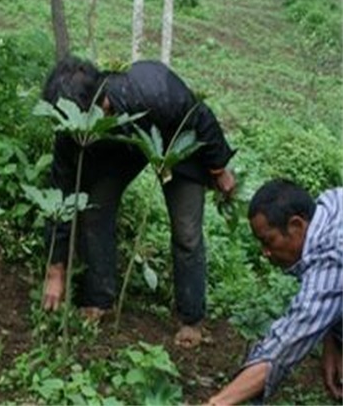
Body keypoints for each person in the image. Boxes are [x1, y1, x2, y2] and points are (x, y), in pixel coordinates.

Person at [40, 56, 236, 347]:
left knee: (186, 232)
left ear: (101, 104)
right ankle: (99, 299)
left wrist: (219, 169)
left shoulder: (154, 89)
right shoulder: (71, 129)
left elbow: (200, 116)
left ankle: (191, 318)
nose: (76, 129)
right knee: (94, 209)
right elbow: (61, 193)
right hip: (116, 151)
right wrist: (55, 269)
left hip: (174, 141)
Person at [208, 179, 342, 404]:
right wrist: (334, 339)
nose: (265, 253)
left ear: (296, 225)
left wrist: (217, 403)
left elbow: (285, 346)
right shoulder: (330, 205)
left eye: (268, 241)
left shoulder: (332, 258)